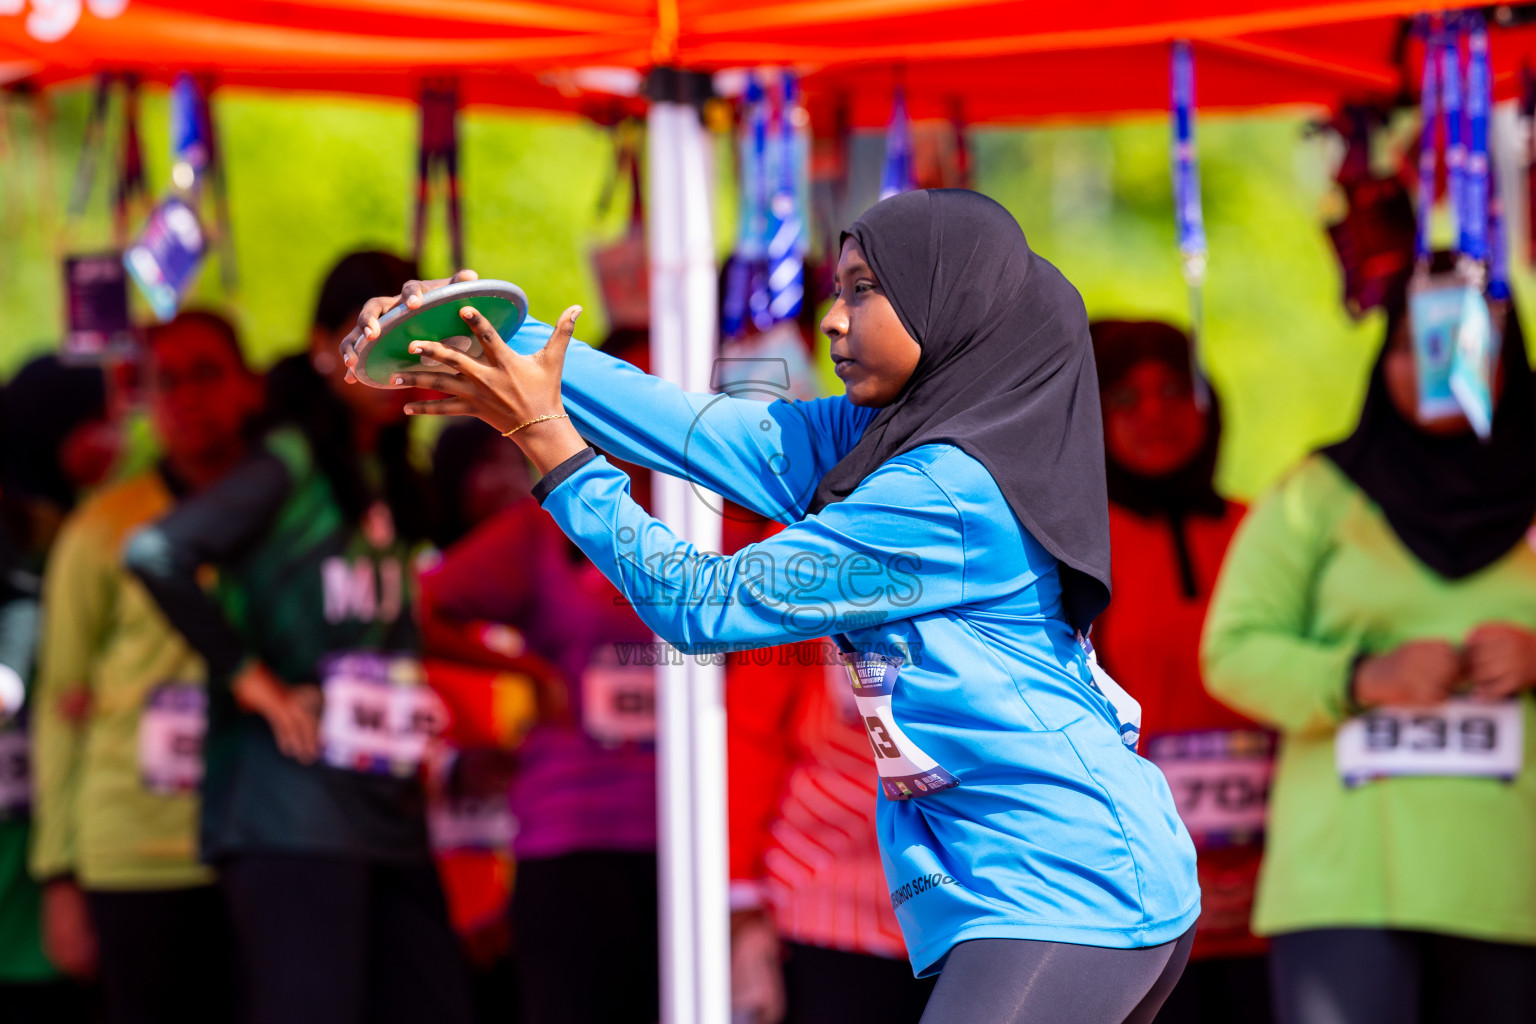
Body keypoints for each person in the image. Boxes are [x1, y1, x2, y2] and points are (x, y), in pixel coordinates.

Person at [346, 188, 1202, 1024]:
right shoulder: (892, 442)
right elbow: (697, 429)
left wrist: (552, 450)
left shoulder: (940, 494)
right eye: (838, 291)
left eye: (864, 290)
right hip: (1056, 886)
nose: (834, 319)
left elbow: (701, 604)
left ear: (951, 308)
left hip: (1069, 891)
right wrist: (487, 332)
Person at [126, 252, 475, 1024]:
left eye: (417, 342)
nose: (402, 361)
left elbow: (397, 620)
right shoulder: (287, 464)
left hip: (384, 805)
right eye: (381, 339)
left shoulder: (381, 468)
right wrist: (255, 682)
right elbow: (156, 553)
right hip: (291, 811)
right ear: (327, 346)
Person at [1202, 259, 1536, 1024]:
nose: (1437, 367)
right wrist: (1358, 677)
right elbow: (1234, 650)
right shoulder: (1317, 493)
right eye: (1415, 345)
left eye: (1464, 342)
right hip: (1344, 880)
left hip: (1515, 881)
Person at [417, 330, 663, 1024]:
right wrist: (526, 669)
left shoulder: (715, 522)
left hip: (690, 834)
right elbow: (421, 610)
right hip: (569, 837)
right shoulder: (544, 524)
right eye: (632, 384)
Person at [34, 312, 257, 1024]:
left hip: (267, 844)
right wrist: (60, 875)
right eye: (166, 382)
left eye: (206, 374)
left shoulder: (290, 515)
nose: (187, 397)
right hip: (134, 852)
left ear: (249, 388)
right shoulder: (101, 530)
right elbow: (59, 701)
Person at [1087, 322, 1273, 1024]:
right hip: (1132, 899)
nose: (1158, 414)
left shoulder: (1266, 532)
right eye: (1126, 398)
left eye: (1175, 390)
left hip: (1275, 895)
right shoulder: (1065, 547)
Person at [0, 355, 119, 1024]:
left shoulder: (84, 531)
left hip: (51, 838)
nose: (116, 438)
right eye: (96, 423)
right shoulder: (27, 541)